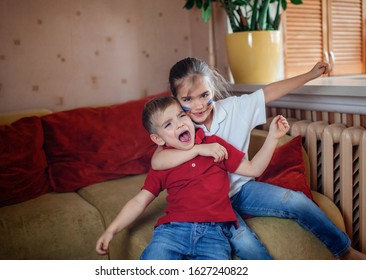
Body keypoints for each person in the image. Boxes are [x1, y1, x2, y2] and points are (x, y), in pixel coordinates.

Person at [151, 57, 366, 260]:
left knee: (296, 201)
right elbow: (157, 160)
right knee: (245, 243)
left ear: (213, 89)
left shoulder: (235, 108)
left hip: (243, 189)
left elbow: (270, 92)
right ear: (176, 100)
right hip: (209, 203)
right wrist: (198, 150)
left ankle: (344, 251)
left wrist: (310, 74)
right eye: (188, 99)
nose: (198, 106)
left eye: (204, 95)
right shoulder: (179, 126)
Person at [95, 96, 290, 260]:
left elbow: (254, 169)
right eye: (168, 124)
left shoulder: (214, 145)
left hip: (214, 235)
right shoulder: (164, 162)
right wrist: (111, 230)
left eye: (181, 115)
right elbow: (139, 200)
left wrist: (272, 137)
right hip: (172, 232)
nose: (179, 123)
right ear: (158, 139)